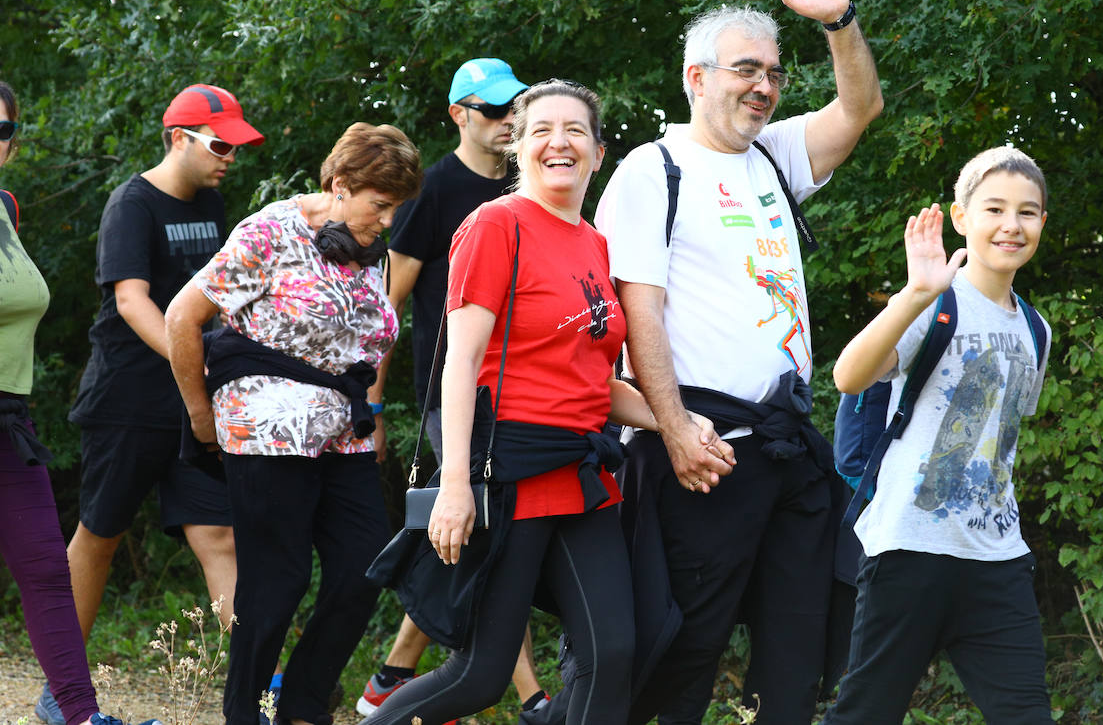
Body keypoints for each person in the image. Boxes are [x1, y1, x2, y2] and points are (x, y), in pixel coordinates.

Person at [363, 79, 730, 725]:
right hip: (511, 471)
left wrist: (679, 424)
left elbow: (594, 382)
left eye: (575, 131)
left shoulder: (594, 245)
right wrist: (454, 485)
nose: (558, 142)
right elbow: (461, 361)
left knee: (617, 650)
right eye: (541, 131)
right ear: (519, 147)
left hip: (583, 474)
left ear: (598, 152)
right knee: (478, 675)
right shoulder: (495, 225)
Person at [593, 0, 883, 724]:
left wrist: (839, 21)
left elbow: (860, 107)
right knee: (684, 647)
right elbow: (637, 309)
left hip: (788, 444)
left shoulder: (774, 157)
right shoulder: (655, 169)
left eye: (773, 73)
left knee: (799, 648)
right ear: (696, 77)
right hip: (704, 449)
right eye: (746, 69)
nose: (764, 87)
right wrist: (676, 429)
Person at [164, 122, 423, 725]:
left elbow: (367, 343)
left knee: (364, 567)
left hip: (341, 431)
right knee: (277, 583)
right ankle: (244, 713)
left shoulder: (364, 248)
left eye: (394, 209)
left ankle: (303, 707)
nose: (386, 221)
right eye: (379, 205)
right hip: (266, 426)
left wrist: (374, 411)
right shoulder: (271, 231)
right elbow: (183, 316)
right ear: (339, 184)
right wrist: (202, 415)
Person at [39, 84, 262, 725]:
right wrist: (192, 356)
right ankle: (62, 690)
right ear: (178, 138)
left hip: (195, 398)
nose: (230, 159)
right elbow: (134, 302)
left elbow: (219, 294)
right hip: (127, 401)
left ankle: (258, 691)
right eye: (221, 145)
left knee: (219, 533)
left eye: (237, 148)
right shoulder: (130, 205)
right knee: (100, 535)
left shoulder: (215, 203)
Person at [821, 146, 1054, 724]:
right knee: (866, 713)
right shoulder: (933, 303)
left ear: (1042, 223)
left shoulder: (1036, 329)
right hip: (910, 549)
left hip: (999, 558)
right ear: (960, 218)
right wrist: (914, 295)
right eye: (994, 208)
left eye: (1027, 212)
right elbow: (847, 376)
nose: (1010, 225)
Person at [356, 57, 549, 718]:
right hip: (455, 392)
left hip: (526, 394)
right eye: (496, 111)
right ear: (459, 115)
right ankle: (533, 697)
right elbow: (387, 303)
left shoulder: (532, 188)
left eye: (515, 109)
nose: (508, 122)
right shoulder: (434, 190)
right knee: (492, 525)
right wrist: (371, 403)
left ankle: (393, 671)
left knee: (477, 534)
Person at [0, 81, 157, 725]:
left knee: (44, 567)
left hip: (11, 419)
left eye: (3, 130)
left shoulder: (5, 207)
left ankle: (79, 714)